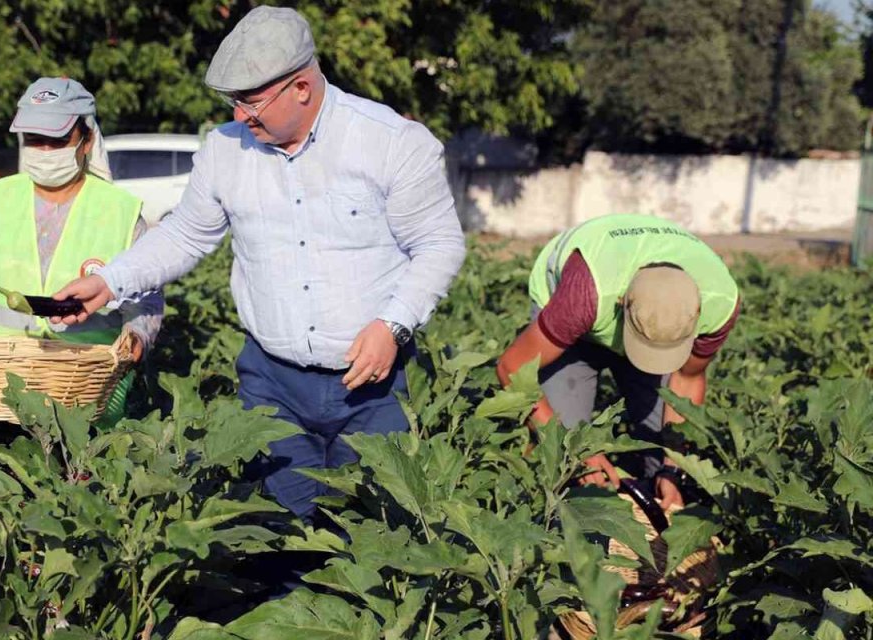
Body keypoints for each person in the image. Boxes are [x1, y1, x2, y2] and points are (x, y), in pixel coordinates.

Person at [51, 7, 466, 522]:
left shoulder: (390, 142)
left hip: (372, 385)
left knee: (374, 537)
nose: (240, 116)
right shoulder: (225, 151)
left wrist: (393, 324)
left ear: (302, 88)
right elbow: (184, 234)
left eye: (250, 101)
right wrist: (108, 282)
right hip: (272, 382)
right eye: (232, 101)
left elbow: (440, 244)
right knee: (280, 532)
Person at [0, 78, 162, 423]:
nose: (45, 151)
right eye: (35, 140)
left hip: (83, 388)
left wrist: (138, 336)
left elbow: (146, 299)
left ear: (87, 139)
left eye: (57, 140)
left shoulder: (120, 212)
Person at [495, 213, 741, 509]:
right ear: (623, 304)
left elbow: (687, 379)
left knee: (659, 444)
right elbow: (511, 369)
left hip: (616, 312)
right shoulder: (587, 293)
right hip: (571, 321)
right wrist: (570, 448)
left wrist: (672, 469)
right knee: (558, 455)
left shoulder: (720, 303)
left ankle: (651, 519)